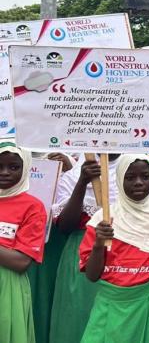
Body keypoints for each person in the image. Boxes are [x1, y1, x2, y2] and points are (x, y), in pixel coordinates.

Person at [79, 155, 149, 343]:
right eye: (130, 178)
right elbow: (92, 276)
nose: (138, 183)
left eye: (145, 176)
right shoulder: (102, 220)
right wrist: (98, 244)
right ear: (119, 179)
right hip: (109, 304)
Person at [49, 154, 121, 343]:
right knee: (78, 314)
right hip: (80, 253)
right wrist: (82, 182)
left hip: (122, 253)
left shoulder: (133, 169)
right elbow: (65, 226)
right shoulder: (72, 177)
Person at [0, 141, 46, 343]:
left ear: (26, 167)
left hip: (8, 285)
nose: (5, 172)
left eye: (14, 167)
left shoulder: (33, 207)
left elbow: (20, 262)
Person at [27, 151, 75, 343]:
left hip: (54, 237)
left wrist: (68, 168)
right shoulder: (9, 143)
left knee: (51, 293)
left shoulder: (67, 155)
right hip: (17, 238)